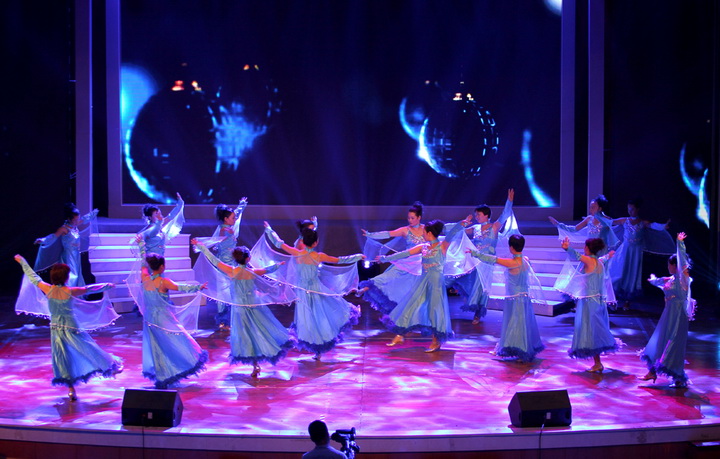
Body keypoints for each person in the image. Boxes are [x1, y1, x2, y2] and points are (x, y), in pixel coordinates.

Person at [14, 255, 122, 401]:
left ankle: (71, 389)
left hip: (56, 328)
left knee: (63, 357)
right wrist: (107, 285)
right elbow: (88, 289)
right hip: (71, 326)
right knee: (87, 347)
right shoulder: (69, 291)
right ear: (65, 277)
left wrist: (23, 262)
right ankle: (109, 367)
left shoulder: (48, 289)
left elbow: (33, 277)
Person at [192, 239, 293, 378]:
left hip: (240, 309)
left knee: (246, 333)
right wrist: (277, 265)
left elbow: (214, 260)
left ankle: (255, 363)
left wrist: (202, 247)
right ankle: (258, 359)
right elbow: (267, 270)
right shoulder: (252, 272)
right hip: (253, 306)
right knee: (258, 330)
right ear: (248, 259)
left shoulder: (232, 271)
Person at [263, 222, 365, 360]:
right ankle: (319, 349)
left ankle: (316, 348)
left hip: (303, 291)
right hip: (315, 289)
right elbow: (339, 260)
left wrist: (269, 230)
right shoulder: (319, 256)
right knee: (320, 315)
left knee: (309, 318)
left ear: (303, 241)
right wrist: (357, 256)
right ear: (316, 242)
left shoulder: (297, 253)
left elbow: (279, 243)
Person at [380, 220, 463, 352]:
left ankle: (436, 341)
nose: (422, 234)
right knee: (411, 305)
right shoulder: (423, 247)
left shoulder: (442, 246)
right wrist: (386, 258)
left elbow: (452, 234)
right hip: (423, 282)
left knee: (435, 311)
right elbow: (405, 253)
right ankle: (400, 334)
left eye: (424, 232)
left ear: (429, 233)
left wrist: (461, 224)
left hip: (436, 284)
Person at [129, 252, 208, 388]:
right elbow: (180, 287)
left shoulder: (145, 278)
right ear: (161, 267)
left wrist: (141, 247)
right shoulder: (163, 281)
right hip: (163, 317)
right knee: (178, 338)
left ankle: (163, 374)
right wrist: (198, 287)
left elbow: (143, 265)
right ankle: (180, 365)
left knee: (157, 345)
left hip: (149, 318)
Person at [468, 234, 545, 362]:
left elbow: (493, 259)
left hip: (515, 299)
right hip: (524, 298)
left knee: (516, 325)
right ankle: (513, 348)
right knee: (520, 324)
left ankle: (522, 351)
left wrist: (475, 254)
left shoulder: (512, 263)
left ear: (511, 247)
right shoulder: (525, 259)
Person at [451, 188, 516, 324]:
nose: (477, 217)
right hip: (474, 261)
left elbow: (505, 215)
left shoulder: (494, 227)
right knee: (469, 282)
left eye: (479, 215)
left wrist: (509, 201)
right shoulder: (475, 228)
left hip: (487, 263)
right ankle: (473, 305)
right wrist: (463, 223)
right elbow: (459, 232)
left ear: (486, 215)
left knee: (481, 287)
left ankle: (478, 313)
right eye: (476, 215)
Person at [639, 232, 695, 387]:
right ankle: (652, 372)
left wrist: (680, 243)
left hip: (678, 316)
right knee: (659, 341)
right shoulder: (670, 279)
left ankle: (678, 377)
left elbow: (682, 260)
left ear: (676, 265)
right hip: (668, 314)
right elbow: (658, 281)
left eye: (670, 264)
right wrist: (652, 279)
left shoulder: (683, 279)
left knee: (673, 343)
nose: (668, 267)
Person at [556, 237, 620, 372]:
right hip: (598, 302)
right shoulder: (599, 262)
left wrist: (567, 248)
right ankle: (597, 362)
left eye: (585, 246)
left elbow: (577, 256)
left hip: (590, 303)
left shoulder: (589, 260)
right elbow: (602, 259)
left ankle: (598, 363)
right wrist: (608, 255)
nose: (584, 248)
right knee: (594, 330)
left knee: (592, 331)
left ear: (589, 248)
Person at [358, 201, 426, 314]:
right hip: (408, 261)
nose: (410, 220)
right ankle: (366, 288)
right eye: (408, 218)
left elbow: (441, 232)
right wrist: (371, 235)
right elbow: (388, 233)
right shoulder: (405, 230)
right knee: (389, 276)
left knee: (414, 289)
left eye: (412, 218)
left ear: (419, 217)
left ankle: (414, 312)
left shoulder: (426, 230)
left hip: (422, 264)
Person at [608, 198, 674, 309]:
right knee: (619, 271)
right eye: (629, 209)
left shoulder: (643, 223)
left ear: (637, 209)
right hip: (624, 251)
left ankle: (627, 301)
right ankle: (612, 299)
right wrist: (598, 218)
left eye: (632, 209)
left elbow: (654, 225)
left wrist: (663, 226)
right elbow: (611, 221)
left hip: (636, 253)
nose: (630, 211)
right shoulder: (625, 220)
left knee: (632, 275)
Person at [194, 198, 248, 330]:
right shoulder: (224, 230)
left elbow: (236, 213)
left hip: (232, 264)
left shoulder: (227, 227)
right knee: (224, 292)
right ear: (225, 219)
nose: (235, 219)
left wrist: (241, 205)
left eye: (234, 217)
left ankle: (230, 319)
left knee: (232, 291)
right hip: (224, 265)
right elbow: (219, 240)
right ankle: (223, 321)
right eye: (232, 218)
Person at [34, 203, 98, 288]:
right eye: (75, 220)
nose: (77, 221)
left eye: (77, 219)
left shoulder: (74, 225)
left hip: (76, 255)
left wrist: (93, 213)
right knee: (71, 275)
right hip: (68, 255)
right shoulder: (64, 229)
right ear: (69, 219)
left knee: (77, 275)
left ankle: (75, 291)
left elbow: (84, 219)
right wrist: (43, 240)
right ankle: (68, 291)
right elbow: (54, 236)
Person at [549, 194, 618, 255]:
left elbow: (612, 232)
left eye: (593, 207)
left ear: (600, 208)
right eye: (590, 207)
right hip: (590, 249)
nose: (591, 209)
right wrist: (558, 224)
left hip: (602, 250)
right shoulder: (589, 219)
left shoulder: (607, 220)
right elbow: (575, 229)